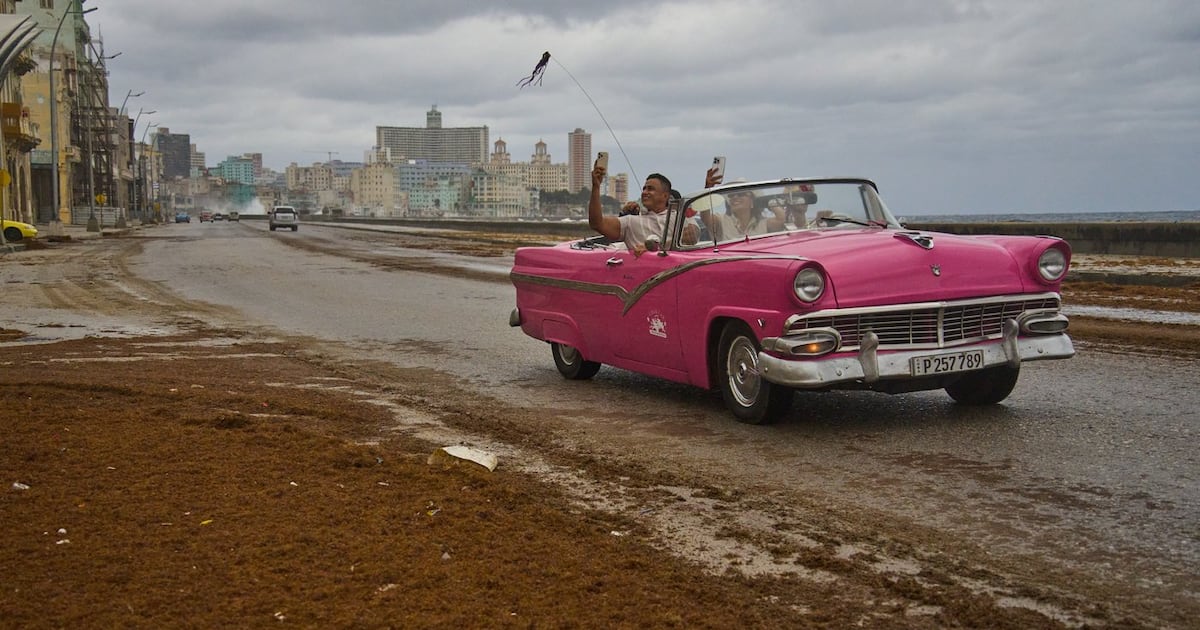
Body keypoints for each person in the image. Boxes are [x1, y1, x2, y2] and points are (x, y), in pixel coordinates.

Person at [588, 165, 691, 254]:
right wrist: (596, 187)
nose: (645, 192)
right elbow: (597, 224)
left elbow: (696, 238)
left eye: (650, 189)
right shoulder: (631, 221)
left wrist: (655, 247)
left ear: (665, 196)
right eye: (644, 189)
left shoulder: (679, 218)